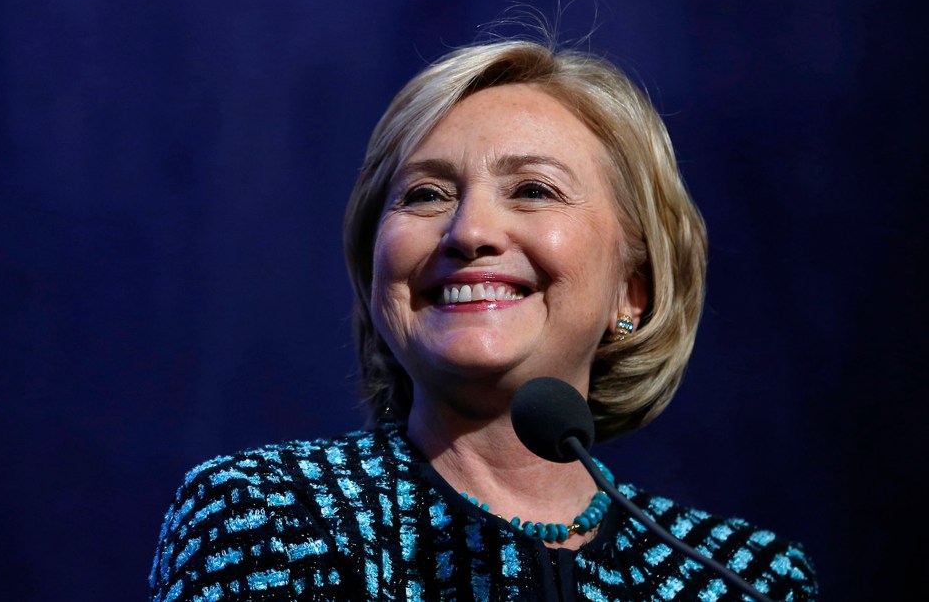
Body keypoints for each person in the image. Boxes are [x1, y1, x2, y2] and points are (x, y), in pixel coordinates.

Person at [149, 38, 818, 601]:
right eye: (426, 194)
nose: (469, 230)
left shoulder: (747, 577)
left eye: (532, 189)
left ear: (633, 290)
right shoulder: (266, 515)